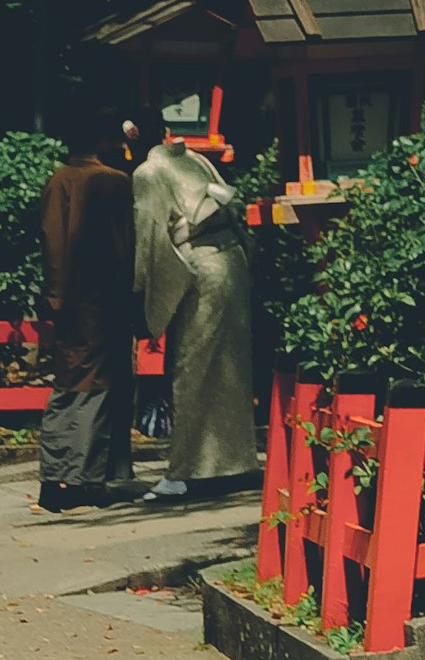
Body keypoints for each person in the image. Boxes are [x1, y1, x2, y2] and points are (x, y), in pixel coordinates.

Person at [132, 108, 261, 502]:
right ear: (166, 132)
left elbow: (149, 234)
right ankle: (234, 464)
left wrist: (140, 289)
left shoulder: (148, 173)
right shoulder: (195, 159)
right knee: (228, 369)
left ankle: (186, 470)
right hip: (231, 262)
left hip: (199, 268)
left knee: (191, 367)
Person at [35, 108, 137, 510]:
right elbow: (126, 246)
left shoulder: (58, 180)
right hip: (104, 295)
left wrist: (55, 295)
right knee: (96, 386)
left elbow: (51, 240)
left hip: (69, 297)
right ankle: (85, 477)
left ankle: (55, 474)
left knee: (67, 382)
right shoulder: (114, 182)